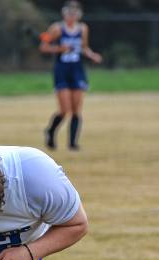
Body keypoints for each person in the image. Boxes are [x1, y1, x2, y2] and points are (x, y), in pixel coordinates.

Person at [40, 1, 102, 150]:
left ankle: (73, 143)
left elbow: (84, 47)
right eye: (70, 12)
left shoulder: (83, 28)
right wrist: (60, 48)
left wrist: (92, 55)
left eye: (75, 13)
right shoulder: (57, 28)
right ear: (64, 13)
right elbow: (44, 46)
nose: (72, 16)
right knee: (64, 109)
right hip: (62, 70)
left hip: (77, 70)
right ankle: (50, 131)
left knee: (76, 109)